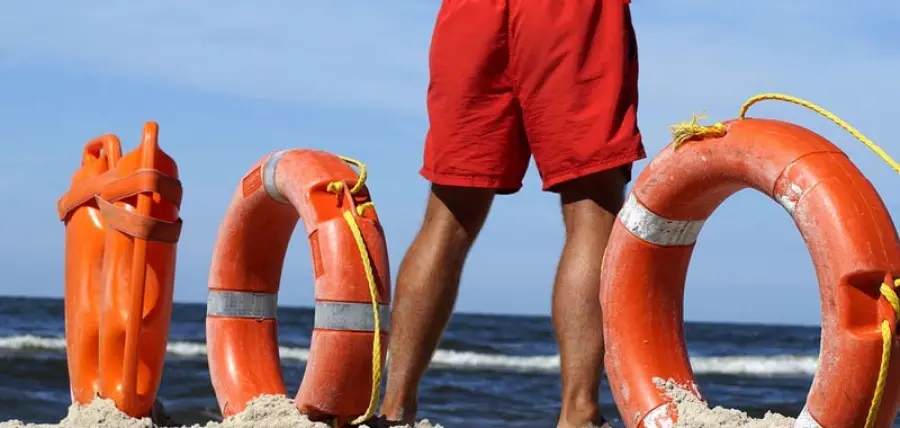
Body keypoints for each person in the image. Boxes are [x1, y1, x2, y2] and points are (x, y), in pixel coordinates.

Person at [377, 0, 644, 426]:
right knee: (592, 206)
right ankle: (579, 414)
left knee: (449, 213)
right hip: (570, 15)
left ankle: (395, 410)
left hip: (470, 14)